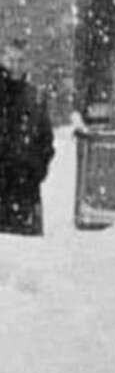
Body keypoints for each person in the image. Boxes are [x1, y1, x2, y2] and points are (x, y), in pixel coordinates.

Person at [0, 36, 54, 235]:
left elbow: (46, 141)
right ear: (2, 59)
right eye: (11, 60)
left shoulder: (35, 97)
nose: (15, 66)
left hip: (26, 192)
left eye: (20, 60)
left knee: (27, 259)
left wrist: (37, 170)